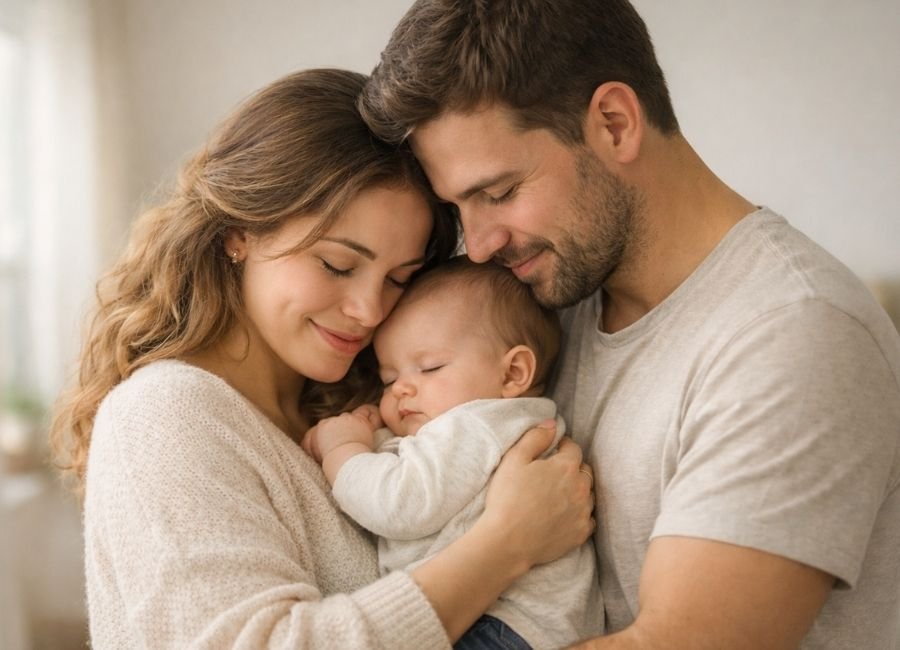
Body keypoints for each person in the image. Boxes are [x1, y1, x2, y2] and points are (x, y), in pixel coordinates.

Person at [359, 1, 900, 648]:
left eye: (498, 192)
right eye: (458, 206)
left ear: (614, 124)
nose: (476, 245)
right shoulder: (539, 297)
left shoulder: (795, 335)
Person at [49, 68, 596, 649]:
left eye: (398, 280)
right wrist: (506, 544)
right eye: (337, 264)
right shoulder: (164, 414)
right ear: (240, 233)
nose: (367, 310)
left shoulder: (358, 406)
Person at [304, 257, 604, 650]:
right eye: (389, 378)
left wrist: (342, 449)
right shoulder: (486, 425)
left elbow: (401, 501)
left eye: (429, 368)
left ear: (512, 374)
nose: (401, 390)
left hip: (503, 627)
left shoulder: (477, 424)